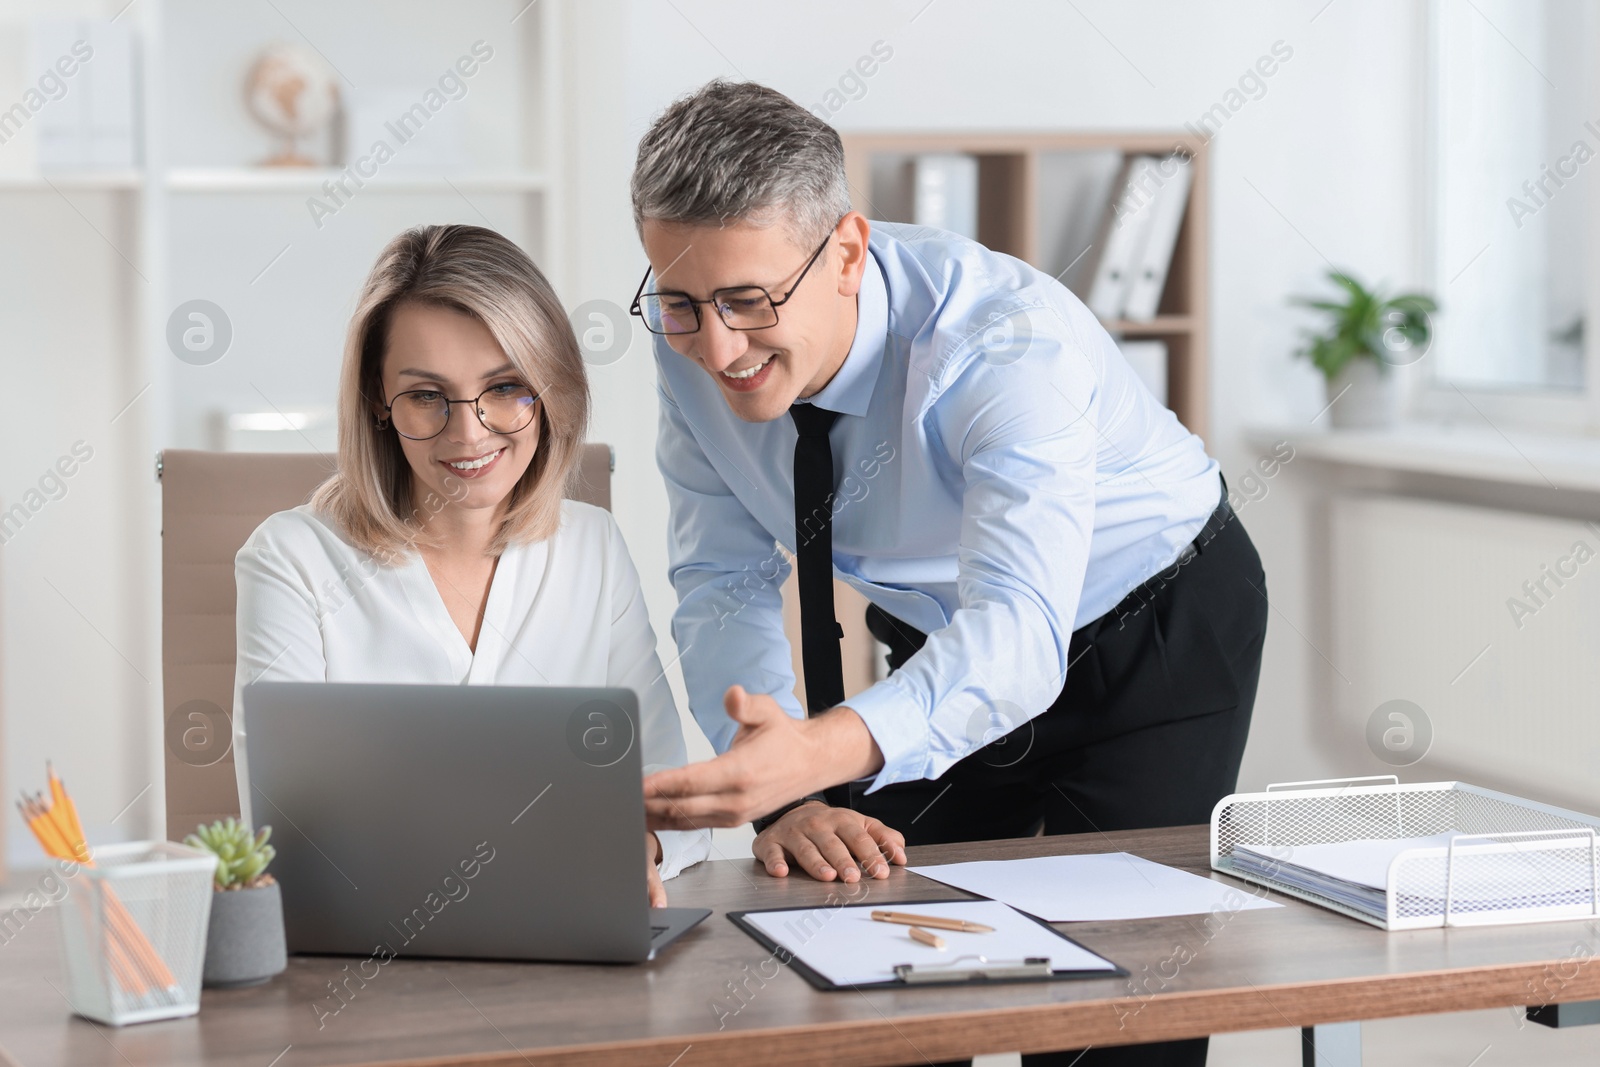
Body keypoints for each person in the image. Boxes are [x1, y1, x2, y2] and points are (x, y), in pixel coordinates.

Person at [634, 81, 1266, 1067]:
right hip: (935, 632)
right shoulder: (687, 353)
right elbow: (722, 574)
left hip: (1153, 624)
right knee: (887, 984)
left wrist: (822, 748)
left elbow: (1017, 637)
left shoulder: (1004, 342)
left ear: (845, 250)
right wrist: (785, 787)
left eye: (747, 302)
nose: (716, 347)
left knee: (1111, 1015)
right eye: (679, 301)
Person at [231, 223, 710, 904]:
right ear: (377, 399)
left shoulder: (593, 547)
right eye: (426, 395)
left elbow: (667, 791)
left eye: (506, 386)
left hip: (571, 943)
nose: (469, 431)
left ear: (549, 387)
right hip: (367, 965)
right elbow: (288, 836)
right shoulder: (293, 560)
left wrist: (642, 844)